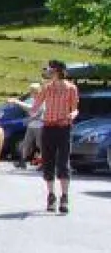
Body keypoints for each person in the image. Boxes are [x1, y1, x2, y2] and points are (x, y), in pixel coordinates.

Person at [36, 60, 80, 214]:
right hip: (48, 128)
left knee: (63, 163)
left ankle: (64, 197)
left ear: (59, 72)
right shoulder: (46, 88)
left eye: (51, 70)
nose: (48, 72)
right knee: (48, 163)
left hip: (63, 128)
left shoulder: (71, 88)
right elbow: (35, 106)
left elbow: (75, 110)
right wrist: (19, 104)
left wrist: (71, 115)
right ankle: (51, 196)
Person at [9, 82, 44, 169]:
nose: (32, 92)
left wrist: (17, 102)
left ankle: (43, 162)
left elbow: (38, 111)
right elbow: (28, 107)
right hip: (31, 126)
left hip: (39, 126)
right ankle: (22, 161)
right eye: (31, 91)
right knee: (26, 143)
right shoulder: (32, 99)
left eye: (34, 91)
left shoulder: (42, 100)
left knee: (40, 145)